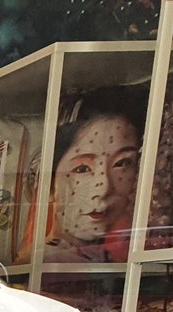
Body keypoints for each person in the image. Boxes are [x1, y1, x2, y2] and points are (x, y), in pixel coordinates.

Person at [46, 90, 144, 263]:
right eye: (83, 169)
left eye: (122, 164)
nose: (104, 188)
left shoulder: (112, 258)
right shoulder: (50, 261)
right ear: (51, 181)